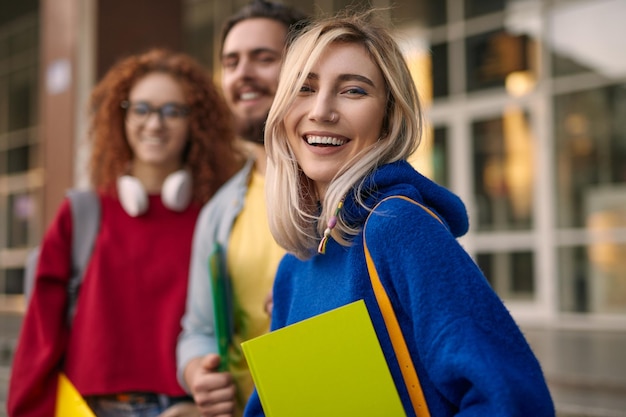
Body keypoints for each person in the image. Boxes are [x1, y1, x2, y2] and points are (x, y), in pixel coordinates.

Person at [244, 11, 556, 417]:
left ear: (389, 116)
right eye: (304, 88)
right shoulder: (294, 267)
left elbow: (512, 398)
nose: (321, 110)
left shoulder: (397, 228)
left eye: (353, 91)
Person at [8, 48, 241, 417]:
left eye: (173, 111)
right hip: (89, 408)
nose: (154, 124)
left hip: (187, 410)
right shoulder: (82, 213)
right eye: (141, 108)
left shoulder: (219, 214)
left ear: (196, 122)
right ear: (123, 115)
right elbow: (40, 333)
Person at [176, 1, 308, 416]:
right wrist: (198, 372)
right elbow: (196, 331)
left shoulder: (347, 193)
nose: (243, 74)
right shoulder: (218, 211)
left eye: (263, 58)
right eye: (231, 62)